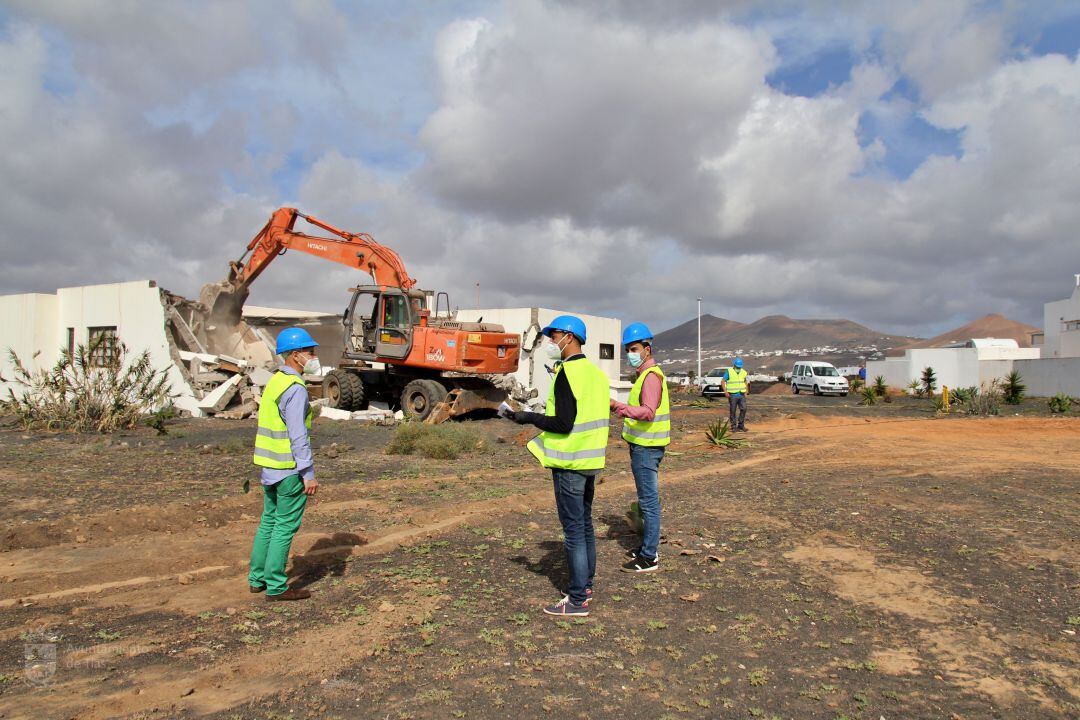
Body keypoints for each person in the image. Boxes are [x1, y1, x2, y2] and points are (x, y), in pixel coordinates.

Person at [505, 315, 610, 616]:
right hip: (590, 461)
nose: (551, 342)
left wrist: (528, 417)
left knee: (574, 530)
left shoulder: (568, 374)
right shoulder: (595, 374)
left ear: (570, 337)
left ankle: (577, 599)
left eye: (554, 336)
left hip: (569, 461)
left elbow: (563, 423)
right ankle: (585, 585)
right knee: (585, 525)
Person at [248, 327, 321, 602]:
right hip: (290, 469)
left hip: (269, 467)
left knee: (268, 522)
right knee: (284, 527)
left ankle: (257, 579)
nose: (313, 355)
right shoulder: (295, 388)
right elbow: (297, 435)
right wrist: (308, 473)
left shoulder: (275, 382)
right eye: (308, 351)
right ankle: (277, 585)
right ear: (294, 356)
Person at [610, 322, 669, 573]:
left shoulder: (651, 376)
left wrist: (617, 407)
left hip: (647, 448)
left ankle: (649, 557)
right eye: (628, 350)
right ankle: (647, 546)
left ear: (647, 348)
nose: (630, 354)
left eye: (634, 349)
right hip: (643, 446)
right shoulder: (644, 375)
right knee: (647, 501)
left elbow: (648, 412)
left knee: (648, 503)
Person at [722, 357, 749, 432]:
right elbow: (723, 381)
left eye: (740, 367)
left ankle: (741, 425)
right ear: (734, 365)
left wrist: (746, 391)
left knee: (744, 409)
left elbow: (745, 381)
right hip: (732, 395)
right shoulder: (729, 371)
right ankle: (733, 426)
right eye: (737, 366)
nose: (738, 368)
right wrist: (725, 391)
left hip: (741, 394)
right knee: (733, 411)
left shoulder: (743, 372)